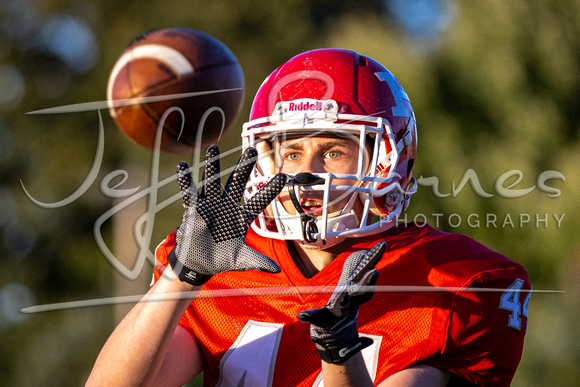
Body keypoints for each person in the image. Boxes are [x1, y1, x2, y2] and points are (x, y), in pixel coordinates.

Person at [87, 49, 531, 386]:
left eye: (333, 151)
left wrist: (340, 355)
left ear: (391, 160)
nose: (304, 173)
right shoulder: (224, 263)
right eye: (292, 152)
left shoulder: (457, 281)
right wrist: (180, 279)